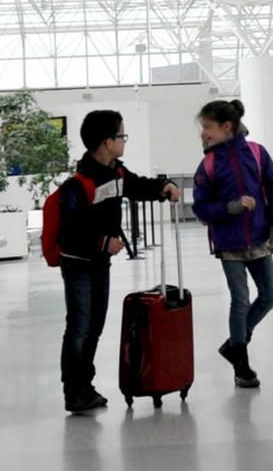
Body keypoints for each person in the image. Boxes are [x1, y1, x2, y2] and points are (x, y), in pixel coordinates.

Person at [54, 110, 181, 413]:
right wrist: (102, 242)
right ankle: (73, 391)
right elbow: (69, 231)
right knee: (80, 326)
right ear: (107, 142)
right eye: (121, 136)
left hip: (100, 262)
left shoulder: (117, 173)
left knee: (94, 325)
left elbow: (137, 186)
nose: (125, 140)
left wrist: (163, 187)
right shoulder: (78, 183)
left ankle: (85, 386)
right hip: (78, 263)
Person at [190, 99, 273, 389]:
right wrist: (231, 208)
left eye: (207, 127)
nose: (203, 133)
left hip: (259, 238)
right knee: (240, 300)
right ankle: (242, 365)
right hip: (228, 243)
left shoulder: (257, 153)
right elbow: (201, 208)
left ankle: (235, 342)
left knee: (269, 296)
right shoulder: (207, 165)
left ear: (227, 127)